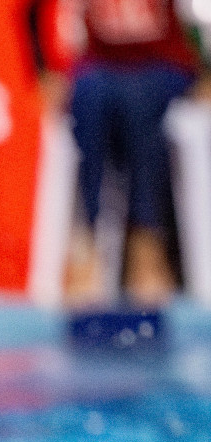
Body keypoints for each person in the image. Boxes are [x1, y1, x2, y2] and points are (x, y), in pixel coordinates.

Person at [28, 0, 211, 305]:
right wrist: (43, 70)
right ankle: (87, 242)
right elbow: (33, 10)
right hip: (102, 67)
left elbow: (199, 14)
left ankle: (147, 241)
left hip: (162, 66)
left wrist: (206, 71)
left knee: (139, 102)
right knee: (90, 98)